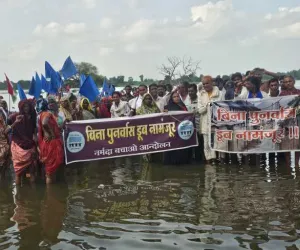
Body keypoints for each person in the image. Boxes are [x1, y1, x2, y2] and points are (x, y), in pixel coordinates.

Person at [8, 99, 37, 185]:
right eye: (24, 106)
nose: (26, 108)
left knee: (31, 172)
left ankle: (25, 195)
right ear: (21, 107)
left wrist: (35, 139)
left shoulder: (32, 117)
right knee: (18, 174)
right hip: (19, 147)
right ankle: (22, 195)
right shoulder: (15, 117)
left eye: (27, 106)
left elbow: (34, 131)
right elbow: (6, 130)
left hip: (29, 146)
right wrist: (16, 122)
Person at [37, 99, 64, 184]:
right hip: (51, 144)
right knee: (50, 171)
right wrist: (51, 134)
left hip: (48, 143)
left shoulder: (41, 114)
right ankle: (50, 193)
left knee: (51, 170)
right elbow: (45, 123)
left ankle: (51, 194)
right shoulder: (47, 114)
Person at [198, 75, 224, 164]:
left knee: (219, 144)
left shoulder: (220, 93)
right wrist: (209, 105)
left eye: (207, 83)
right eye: (203, 84)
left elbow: (223, 109)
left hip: (218, 124)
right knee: (206, 145)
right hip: (205, 124)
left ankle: (220, 164)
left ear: (212, 83)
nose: (205, 85)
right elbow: (200, 110)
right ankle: (209, 164)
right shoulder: (201, 94)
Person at [163, 91, 191, 165]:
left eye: (177, 96)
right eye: (174, 97)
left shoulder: (182, 105)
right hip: (173, 131)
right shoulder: (168, 107)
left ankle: (183, 162)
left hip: (182, 130)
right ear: (171, 98)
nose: (176, 98)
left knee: (182, 148)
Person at [187, 84, 204, 162]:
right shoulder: (186, 100)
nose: (190, 93)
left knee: (199, 146)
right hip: (188, 128)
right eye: (189, 91)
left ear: (196, 91)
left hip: (198, 126)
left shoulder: (200, 101)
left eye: (192, 91)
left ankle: (199, 161)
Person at [0, 108, 9, 179]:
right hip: (3, 145)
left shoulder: (2, 122)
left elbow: (6, 133)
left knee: (4, 164)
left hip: (3, 145)